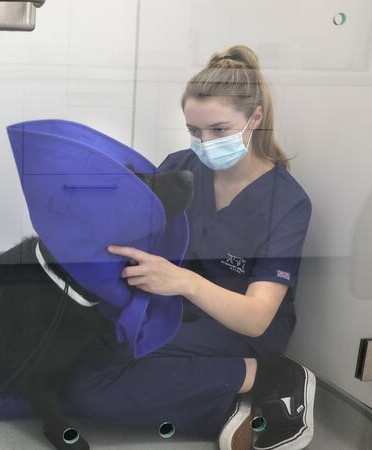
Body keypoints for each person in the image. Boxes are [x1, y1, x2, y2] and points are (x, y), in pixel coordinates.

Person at [68, 45, 314, 450]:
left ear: (255, 119)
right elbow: (137, 232)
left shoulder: (286, 203)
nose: (204, 142)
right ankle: (230, 403)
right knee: (81, 359)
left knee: (89, 387)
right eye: (194, 131)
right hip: (177, 314)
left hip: (238, 329)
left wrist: (182, 282)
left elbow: (256, 319)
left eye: (218, 130)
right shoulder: (181, 167)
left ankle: (271, 376)